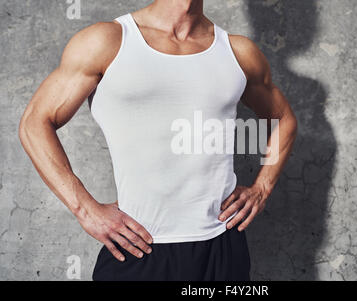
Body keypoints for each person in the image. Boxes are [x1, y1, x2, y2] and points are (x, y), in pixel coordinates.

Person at [18, 0, 298, 281]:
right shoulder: (107, 41)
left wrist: (262, 188)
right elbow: (35, 122)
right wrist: (85, 209)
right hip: (139, 247)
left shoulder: (238, 52)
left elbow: (283, 119)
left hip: (222, 245)